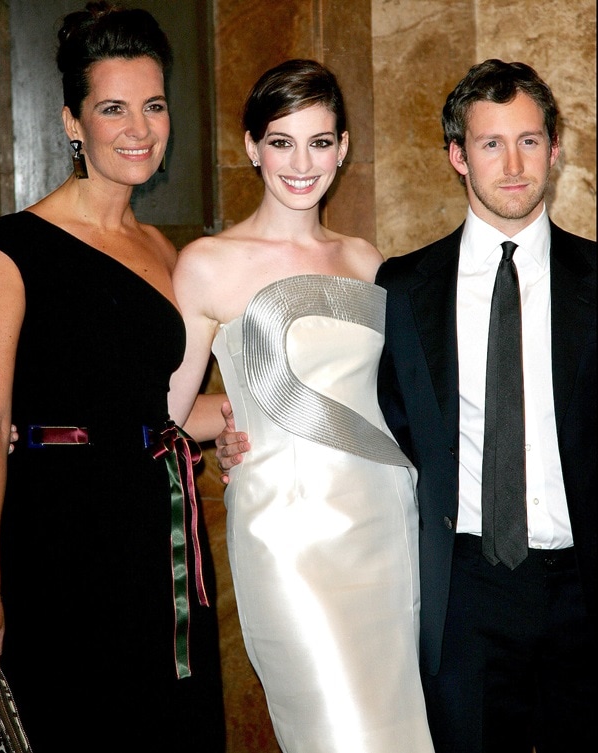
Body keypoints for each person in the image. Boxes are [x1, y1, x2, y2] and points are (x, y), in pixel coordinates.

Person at [217, 59, 597, 753]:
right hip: (462, 594)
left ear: (556, 147)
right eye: (490, 143)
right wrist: (238, 427)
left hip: (584, 591)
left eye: (530, 140)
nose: (513, 164)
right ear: (457, 155)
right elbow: (356, 406)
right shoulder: (403, 287)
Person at [167, 59, 434, 753]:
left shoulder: (366, 261)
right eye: (282, 141)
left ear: (343, 148)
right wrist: (230, 425)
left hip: (386, 526)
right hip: (288, 540)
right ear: (252, 146)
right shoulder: (207, 262)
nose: (301, 161)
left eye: (319, 141)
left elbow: (389, 396)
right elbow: (170, 406)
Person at [0, 4, 226, 752]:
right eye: (113, 108)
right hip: (60, 541)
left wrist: (231, 418)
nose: (139, 128)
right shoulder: (13, 250)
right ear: (72, 121)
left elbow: (149, 409)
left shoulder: (164, 247)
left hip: (158, 542)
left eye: (154, 105)